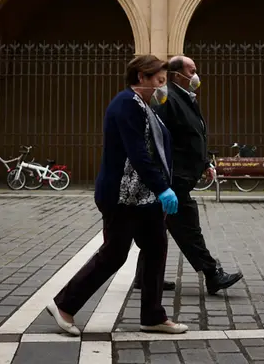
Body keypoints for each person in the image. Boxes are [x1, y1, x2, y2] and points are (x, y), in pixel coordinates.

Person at [46, 55, 188, 336]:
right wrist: (163, 188)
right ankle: (63, 305)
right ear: (141, 78)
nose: (163, 87)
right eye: (159, 81)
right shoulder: (126, 105)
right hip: (122, 196)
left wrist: (160, 187)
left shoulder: (145, 107)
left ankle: (152, 316)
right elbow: (138, 153)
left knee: (156, 250)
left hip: (143, 197)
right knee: (114, 255)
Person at [134, 55, 244, 295]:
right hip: (175, 177)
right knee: (188, 226)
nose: (195, 75)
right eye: (191, 70)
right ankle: (212, 273)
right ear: (177, 75)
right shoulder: (169, 98)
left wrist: (204, 161)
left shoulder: (186, 98)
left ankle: (144, 277)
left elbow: (192, 134)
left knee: (158, 226)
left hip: (183, 173)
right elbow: (159, 137)